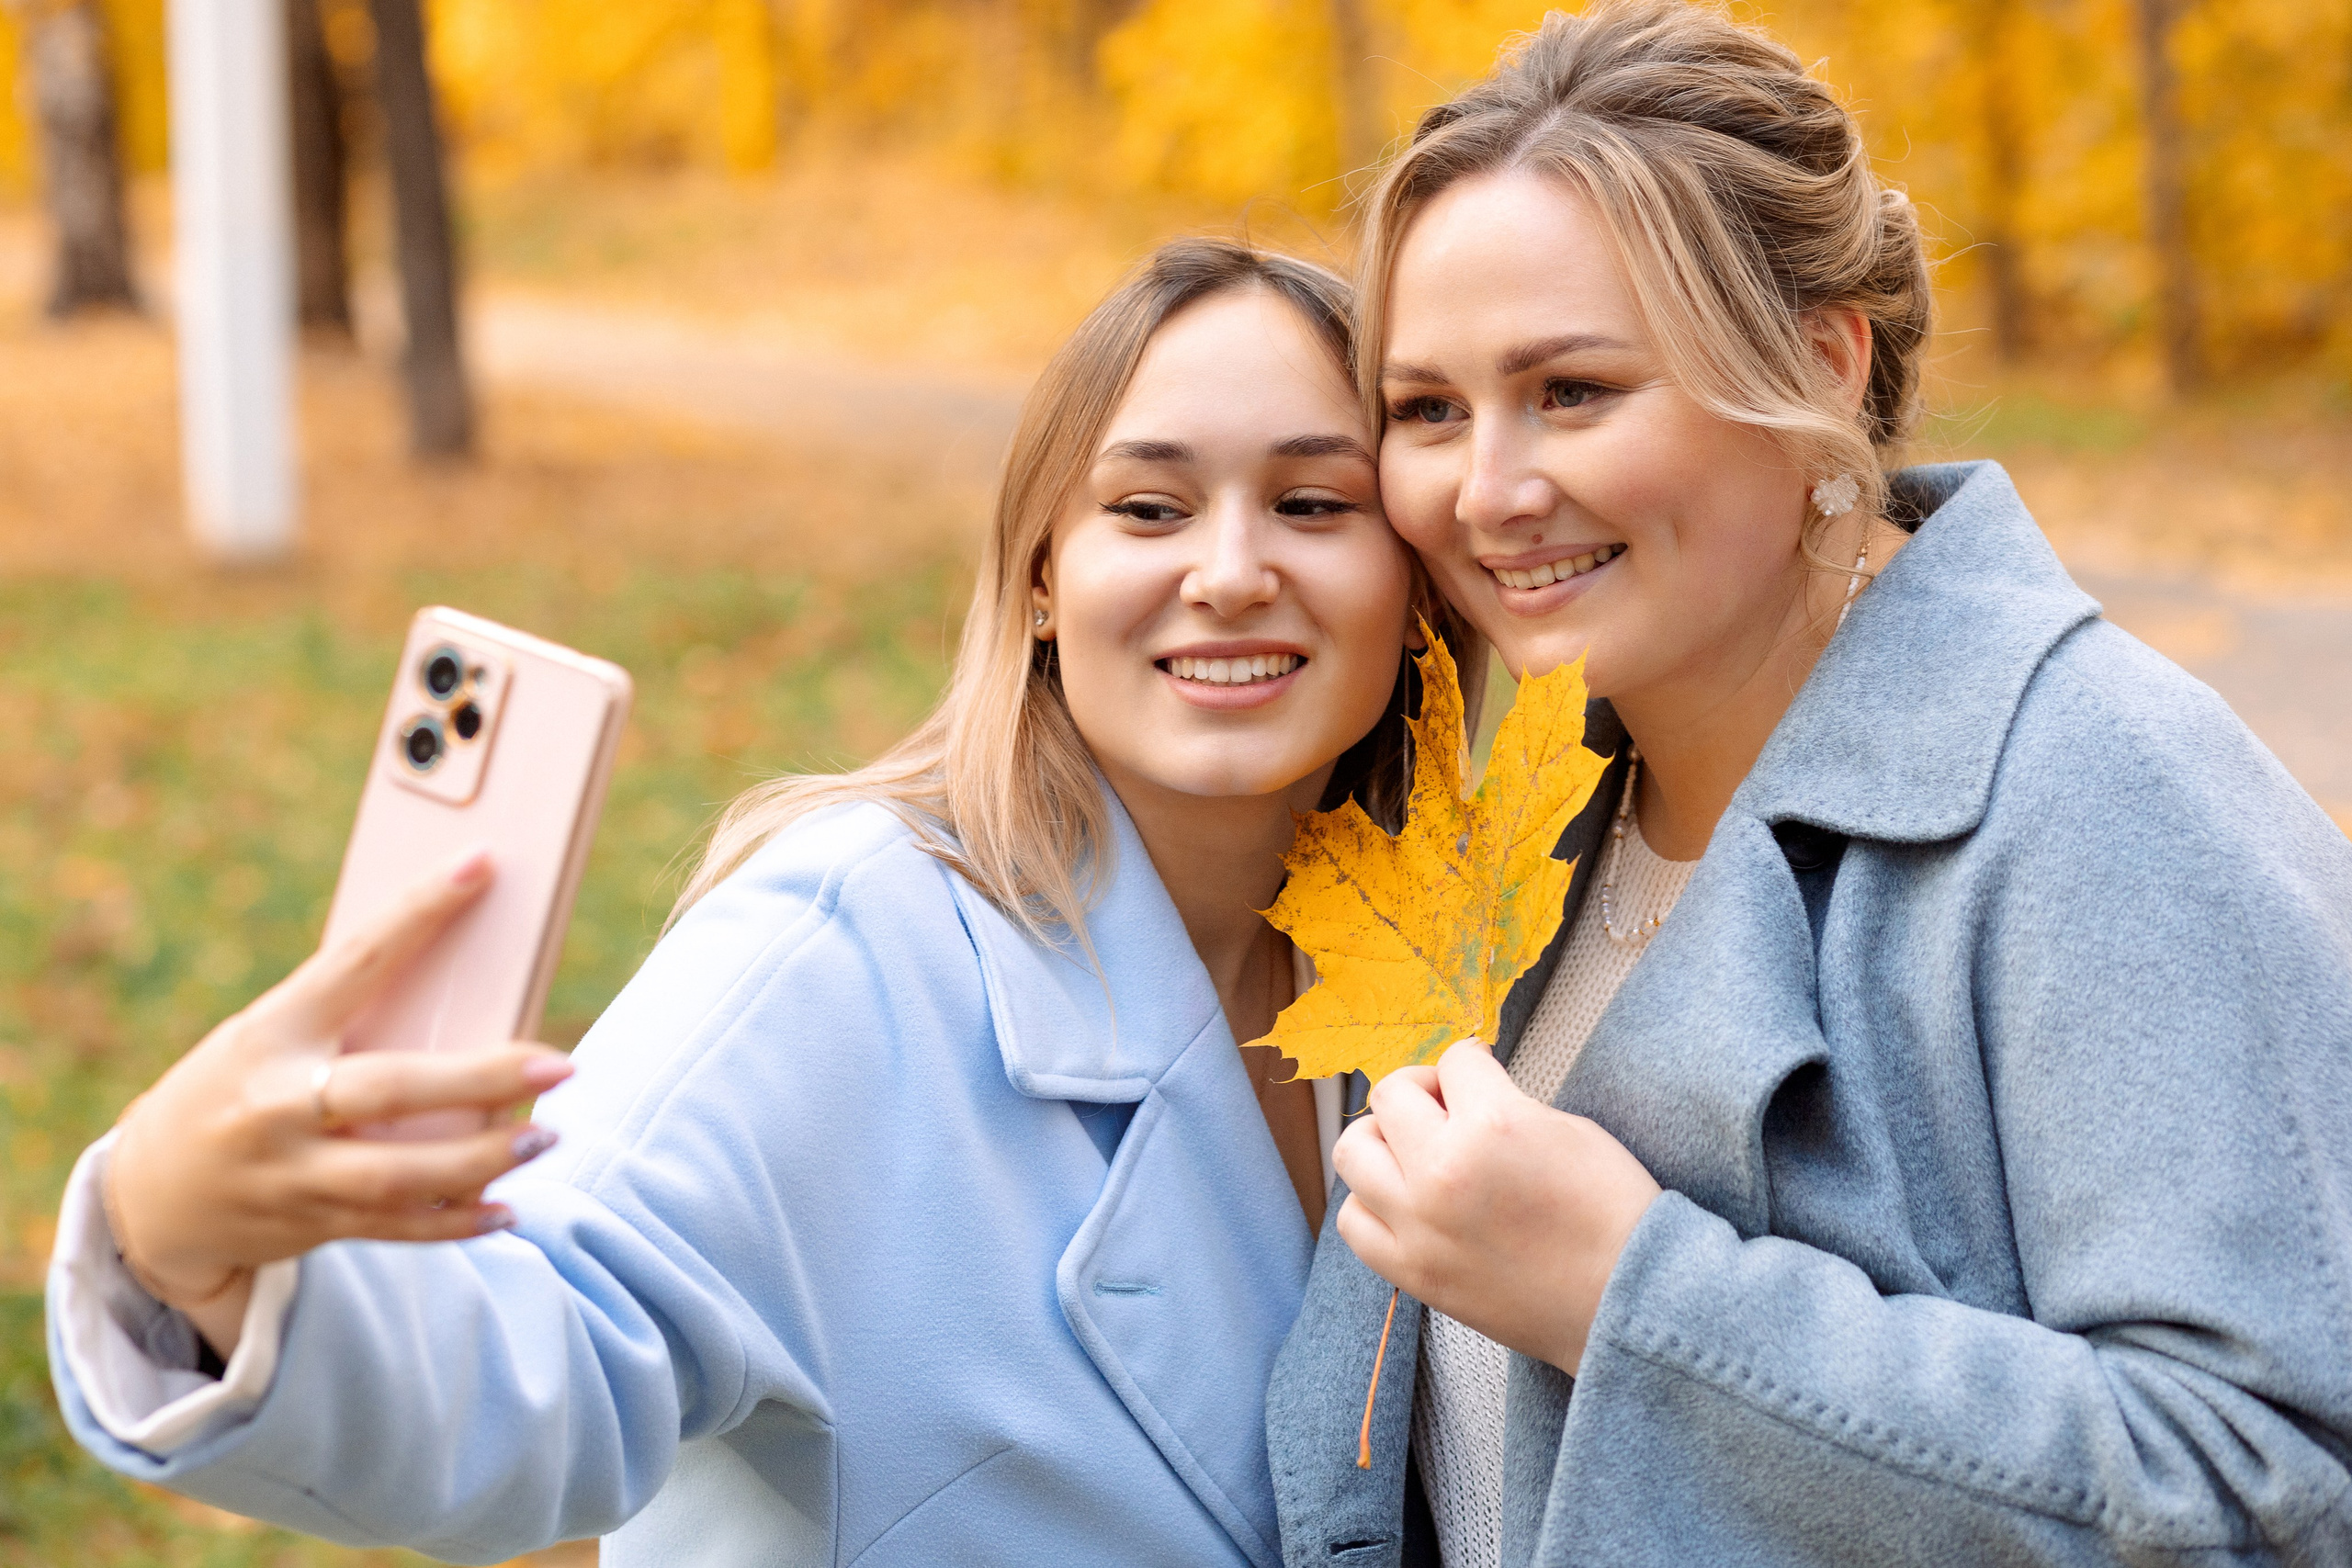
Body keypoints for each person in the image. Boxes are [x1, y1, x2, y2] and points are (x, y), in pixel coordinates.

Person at [51, 239, 1476, 1566]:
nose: (1230, 574)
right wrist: (177, 1243)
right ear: (1043, 577)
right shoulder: (849, 941)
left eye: (1313, 503)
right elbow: (541, 1350)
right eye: (1148, 508)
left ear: (1412, 572)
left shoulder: (1458, 963)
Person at [1266, 6, 2352, 1566]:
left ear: (1819, 361)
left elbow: (2274, 1491)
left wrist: (1630, 1292)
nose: (1486, 492)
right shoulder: (1528, 815)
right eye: (1429, 410)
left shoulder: (2098, 792)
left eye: (1572, 390)